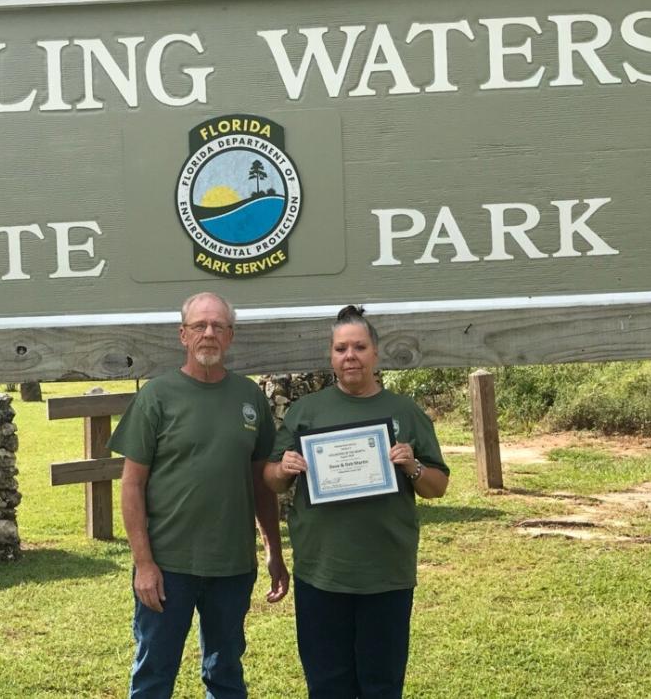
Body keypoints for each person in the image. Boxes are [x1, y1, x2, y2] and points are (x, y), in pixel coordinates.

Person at [109, 291, 289, 699]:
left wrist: (273, 549)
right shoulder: (157, 396)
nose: (209, 333)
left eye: (218, 326)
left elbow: (261, 482)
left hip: (231, 565)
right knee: (154, 675)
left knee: (225, 674)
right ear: (183, 335)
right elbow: (132, 484)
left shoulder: (249, 398)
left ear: (230, 336)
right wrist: (143, 564)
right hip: (168, 566)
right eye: (199, 326)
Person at [264, 305, 449, 699]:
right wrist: (284, 468)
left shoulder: (404, 412)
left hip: (386, 572)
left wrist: (413, 466)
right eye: (341, 348)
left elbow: (438, 486)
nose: (350, 356)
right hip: (322, 572)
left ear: (375, 354)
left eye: (359, 347)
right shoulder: (306, 412)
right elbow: (271, 478)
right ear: (331, 356)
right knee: (328, 685)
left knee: (381, 685)